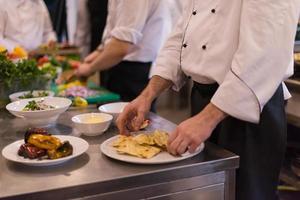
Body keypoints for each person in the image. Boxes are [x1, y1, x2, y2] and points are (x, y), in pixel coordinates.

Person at [117, 1, 300, 200]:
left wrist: (206, 119)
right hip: (204, 103)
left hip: (249, 108)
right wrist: (147, 95)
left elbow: (265, 54)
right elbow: (180, 38)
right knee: (207, 191)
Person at [76, 0, 174, 102]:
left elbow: (120, 47)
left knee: (130, 116)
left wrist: (90, 68)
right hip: (124, 67)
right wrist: (99, 51)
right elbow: (116, 29)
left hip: (133, 72)